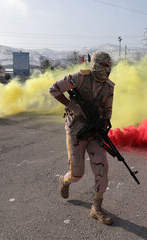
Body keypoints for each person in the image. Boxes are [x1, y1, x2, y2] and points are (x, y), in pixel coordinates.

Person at [49, 51, 115, 225]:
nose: (107, 70)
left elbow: (108, 109)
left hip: (94, 132)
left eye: (108, 66)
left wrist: (105, 123)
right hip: (76, 130)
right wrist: (72, 105)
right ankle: (65, 181)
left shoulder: (109, 87)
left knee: (102, 168)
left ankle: (96, 208)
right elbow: (53, 89)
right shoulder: (79, 77)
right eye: (103, 66)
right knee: (77, 174)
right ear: (95, 65)